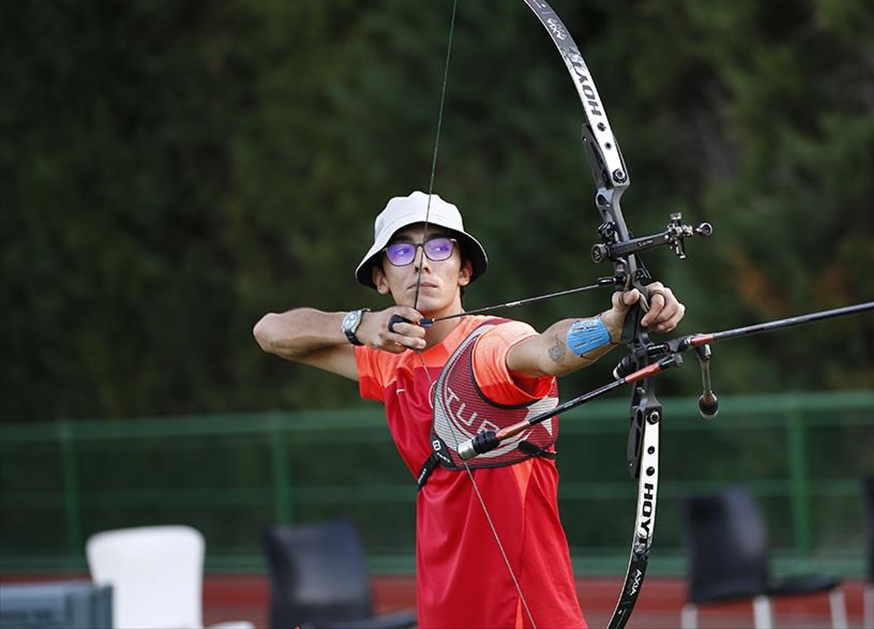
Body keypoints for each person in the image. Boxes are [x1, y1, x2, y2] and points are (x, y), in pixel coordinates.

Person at [253, 190, 685, 629]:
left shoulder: (490, 346)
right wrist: (357, 324)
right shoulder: (389, 360)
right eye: (402, 251)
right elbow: (270, 332)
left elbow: (548, 351)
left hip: (524, 615)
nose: (422, 262)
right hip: (444, 608)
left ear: (464, 270)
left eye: (440, 248)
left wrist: (610, 327)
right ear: (381, 278)